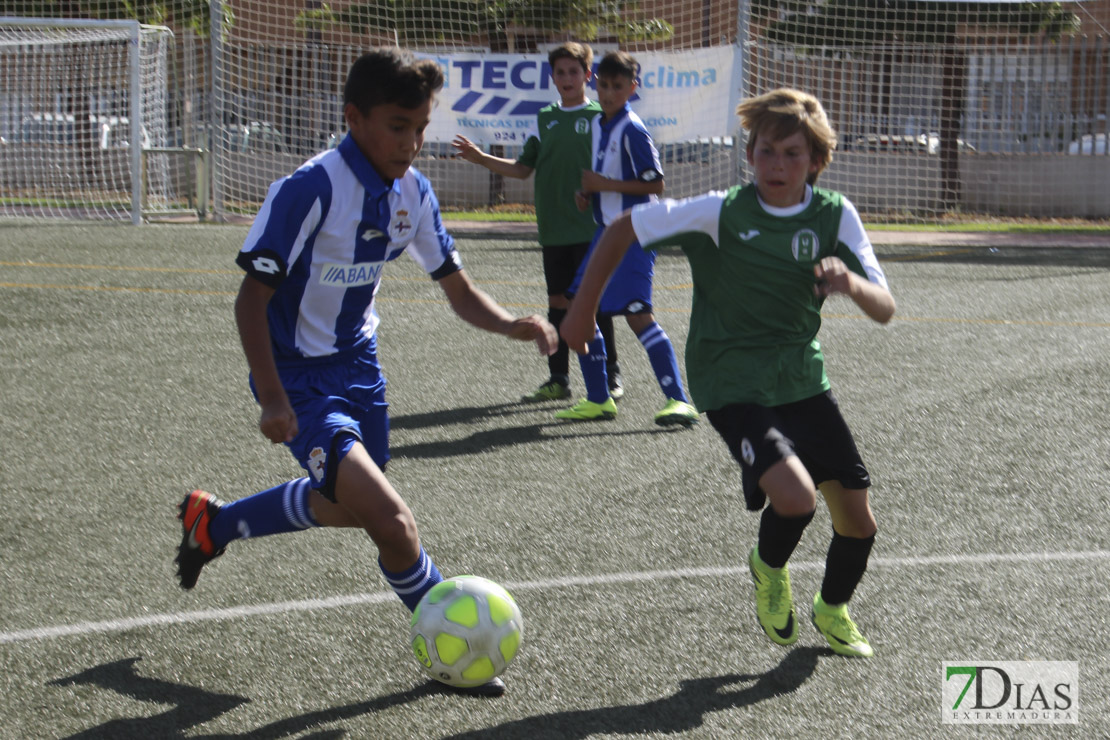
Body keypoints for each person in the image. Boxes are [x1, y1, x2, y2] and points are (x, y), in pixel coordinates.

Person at [174, 48, 556, 697]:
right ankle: (447, 633)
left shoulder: (414, 193)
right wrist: (273, 398)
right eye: (398, 125)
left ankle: (213, 524)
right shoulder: (309, 189)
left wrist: (510, 323)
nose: (411, 143)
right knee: (393, 521)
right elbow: (251, 300)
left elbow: (459, 292)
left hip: (361, 373)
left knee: (343, 507)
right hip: (298, 378)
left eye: (420, 127)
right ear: (355, 118)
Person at [561, 88, 895, 657]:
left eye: (792, 154)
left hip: (801, 379)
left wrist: (850, 282)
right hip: (728, 379)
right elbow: (622, 230)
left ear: (816, 161)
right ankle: (768, 569)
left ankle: (833, 608)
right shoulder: (720, 212)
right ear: (750, 154)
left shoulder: (835, 215)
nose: (777, 165)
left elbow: (884, 306)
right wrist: (581, 311)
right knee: (796, 500)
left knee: (859, 522)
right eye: (766, 152)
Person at [452, 41, 624, 403]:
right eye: (559, 72)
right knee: (558, 303)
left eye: (573, 71)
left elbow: (612, 167)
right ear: (553, 77)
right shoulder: (544, 118)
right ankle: (558, 379)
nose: (566, 78)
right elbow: (522, 169)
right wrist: (481, 158)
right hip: (554, 228)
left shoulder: (600, 118)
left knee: (594, 303)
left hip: (591, 228)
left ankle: (610, 377)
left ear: (587, 76)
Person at [557, 50, 698, 427]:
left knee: (638, 316)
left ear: (632, 89)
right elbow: (609, 180)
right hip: (605, 234)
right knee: (579, 310)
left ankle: (679, 400)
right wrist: (591, 194)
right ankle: (599, 399)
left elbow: (656, 183)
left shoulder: (633, 128)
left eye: (617, 86)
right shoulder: (600, 124)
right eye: (603, 85)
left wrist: (606, 184)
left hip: (635, 235)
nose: (608, 92)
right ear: (594, 83)